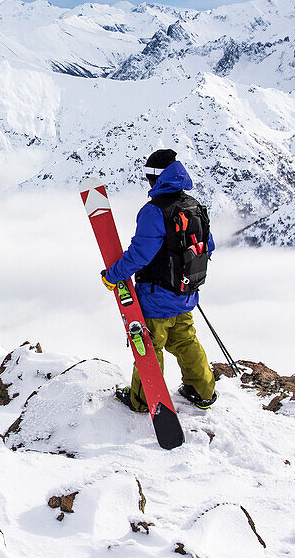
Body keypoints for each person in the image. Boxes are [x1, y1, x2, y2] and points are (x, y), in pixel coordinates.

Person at [101, 149, 218, 411]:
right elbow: (208, 246)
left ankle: (143, 401)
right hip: (186, 294)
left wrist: (113, 277)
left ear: (156, 177)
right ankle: (203, 390)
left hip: (156, 297)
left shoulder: (154, 212)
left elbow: (139, 255)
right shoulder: (194, 206)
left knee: (149, 348)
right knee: (186, 340)